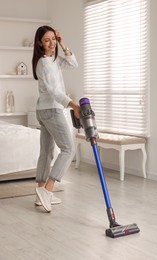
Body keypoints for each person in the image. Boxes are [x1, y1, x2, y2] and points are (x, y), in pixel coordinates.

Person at [32, 25, 80, 213]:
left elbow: (73, 64)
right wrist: (72, 104)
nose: (52, 43)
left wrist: (62, 43)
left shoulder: (53, 59)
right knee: (68, 148)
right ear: (39, 43)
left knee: (47, 152)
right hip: (51, 110)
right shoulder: (45, 62)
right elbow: (53, 91)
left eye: (54, 39)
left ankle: (40, 193)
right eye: (47, 40)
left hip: (43, 110)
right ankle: (48, 190)